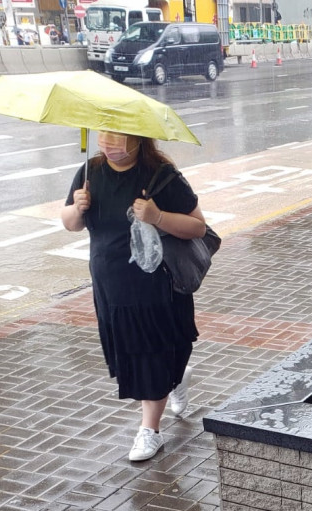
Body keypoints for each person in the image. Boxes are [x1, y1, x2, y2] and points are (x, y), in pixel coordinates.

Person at [62, 131, 206, 461]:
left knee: (151, 354)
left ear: (138, 138)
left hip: (156, 287)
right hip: (110, 285)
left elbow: (198, 227)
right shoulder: (90, 172)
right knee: (131, 353)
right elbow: (70, 223)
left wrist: (158, 217)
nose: (107, 144)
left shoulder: (162, 176)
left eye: (116, 137)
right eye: (103, 136)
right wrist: (77, 209)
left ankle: (149, 430)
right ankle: (176, 377)